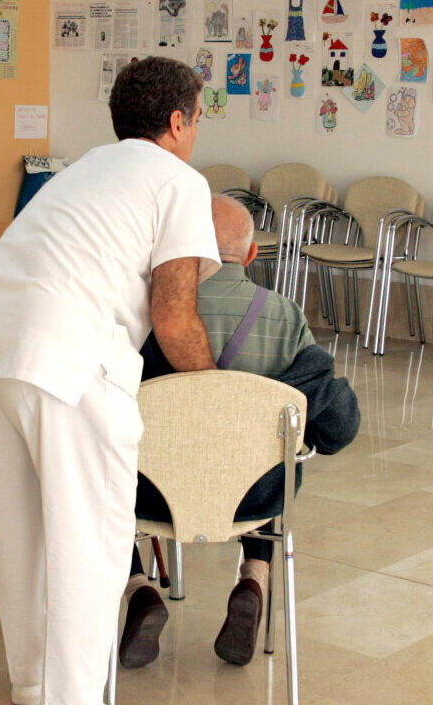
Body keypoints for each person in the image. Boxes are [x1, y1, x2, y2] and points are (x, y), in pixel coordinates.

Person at [0, 57, 222, 705]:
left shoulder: (82, 170)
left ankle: (33, 689)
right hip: (66, 362)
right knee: (88, 553)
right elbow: (174, 316)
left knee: (23, 549)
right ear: (179, 121)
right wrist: (217, 394)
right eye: (199, 118)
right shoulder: (177, 181)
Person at [120, 195, 360, 669]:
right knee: (266, 449)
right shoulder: (286, 317)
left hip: (148, 497)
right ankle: (253, 574)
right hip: (254, 500)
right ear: (251, 256)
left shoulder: (144, 315)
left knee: (104, 463)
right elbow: (339, 429)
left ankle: (138, 588)